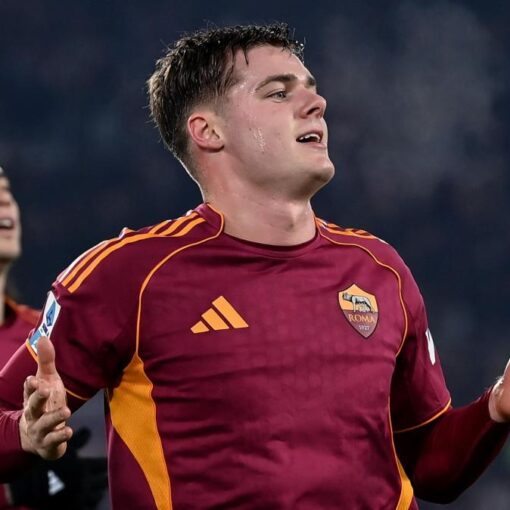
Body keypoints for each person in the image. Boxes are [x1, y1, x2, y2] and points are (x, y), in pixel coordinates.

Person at [0, 23, 509, 509]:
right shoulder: (129, 275)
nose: (317, 103)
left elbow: (432, 465)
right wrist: (25, 432)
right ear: (208, 131)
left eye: (311, 89)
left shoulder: (380, 270)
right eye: (279, 92)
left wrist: (496, 408)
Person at [0, 167, 108, 509]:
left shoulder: (45, 337)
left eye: (6, 191)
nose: (4, 200)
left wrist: (68, 481)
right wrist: (11, 492)